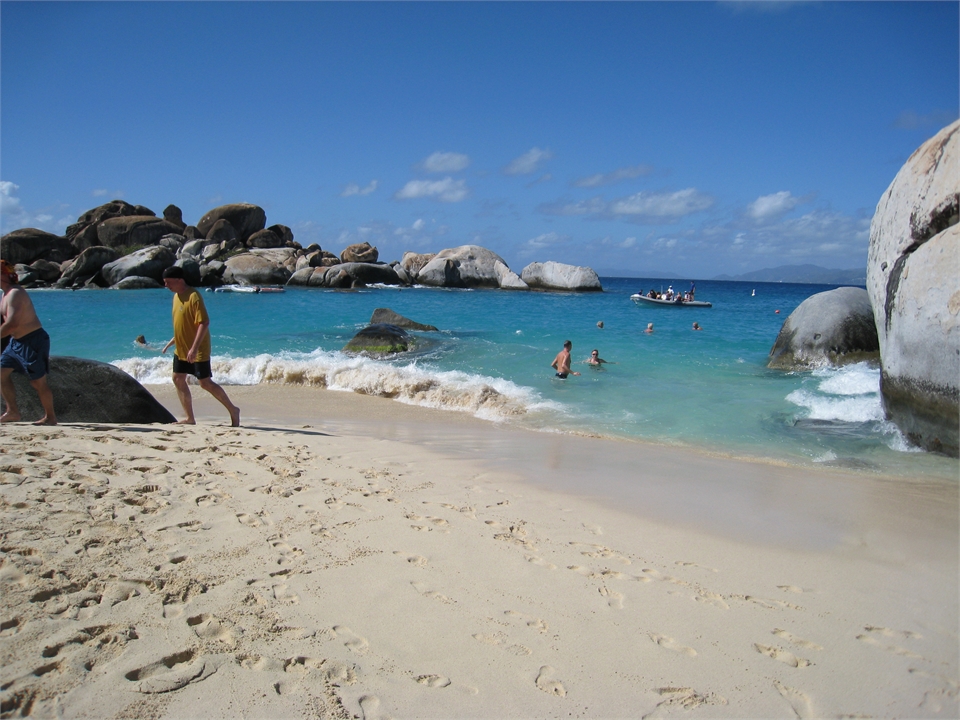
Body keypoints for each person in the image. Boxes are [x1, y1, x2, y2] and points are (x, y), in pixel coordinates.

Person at [161, 266, 240, 426]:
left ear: (179, 280)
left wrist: (194, 348)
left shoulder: (194, 296)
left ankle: (233, 409)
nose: (166, 285)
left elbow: (204, 323)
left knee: (205, 383)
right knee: (178, 378)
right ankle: (189, 418)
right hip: (182, 349)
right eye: (165, 282)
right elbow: (183, 323)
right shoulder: (176, 297)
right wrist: (172, 341)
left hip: (198, 349)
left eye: (168, 282)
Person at [0, 260, 58, 425]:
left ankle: (50, 417)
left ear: (3, 275)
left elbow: (12, 324)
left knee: (37, 382)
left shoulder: (15, 294)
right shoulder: (5, 294)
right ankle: (12, 411)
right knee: (1, 373)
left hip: (33, 340)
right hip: (16, 342)